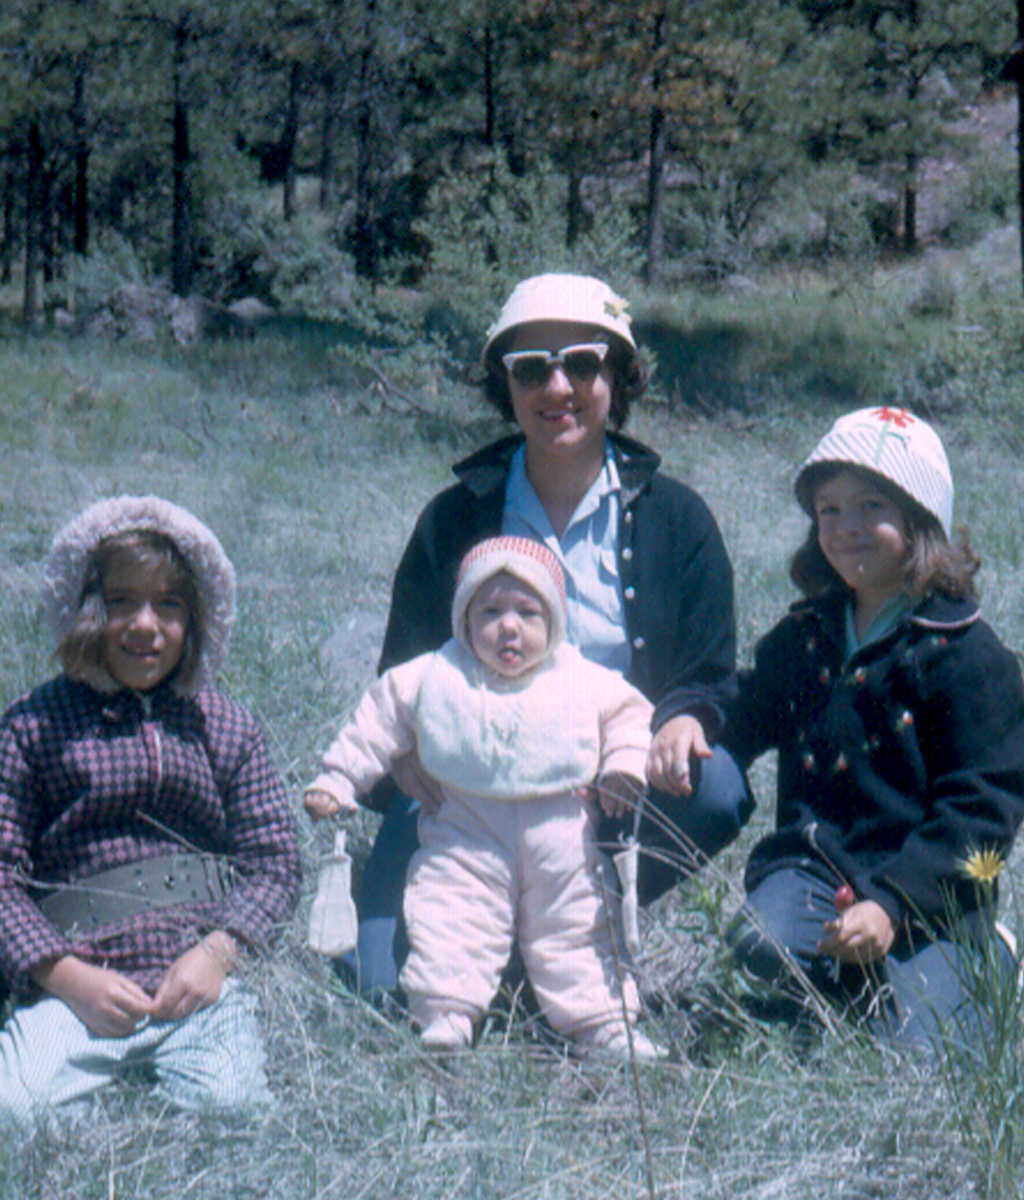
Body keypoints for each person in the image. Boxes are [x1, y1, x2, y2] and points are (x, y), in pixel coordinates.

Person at [345, 272, 751, 995]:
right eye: (531, 368)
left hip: (606, 783)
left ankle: (569, 926)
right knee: (384, 989)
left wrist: (687, 714)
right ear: (506, 385)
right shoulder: (456, 518)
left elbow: (709, 667)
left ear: (618, 377)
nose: (557, 387)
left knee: (714, 785)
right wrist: (406, 753)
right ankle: (485, 929)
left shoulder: (678, 520)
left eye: (583, 364)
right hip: (467, 784)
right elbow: (402, 668)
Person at [721, 406, 1024, 1049]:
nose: (845, 527)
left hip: (932, 902)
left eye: (870, 506)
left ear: (920, 519)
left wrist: (890, 904)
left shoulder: (971, 657)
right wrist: (686, 725)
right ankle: (856, 973)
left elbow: (985, 815)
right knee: (757, 947)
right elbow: (745, 711)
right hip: (816, 870)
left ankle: (984, 961)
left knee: (916, 1053)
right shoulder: (808, 635)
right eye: (828, 511)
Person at [0, 496, 302, 1129]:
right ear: (86, 608)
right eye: (121, 602)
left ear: (196, 619)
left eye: (169, 604)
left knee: (232, 1107)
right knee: (11, 1109)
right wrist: (64, 975)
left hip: (194, 988)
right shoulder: (34, 726)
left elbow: (275, 863)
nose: (146, 624)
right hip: (76, 986)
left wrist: (219, 953)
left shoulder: (226, 726)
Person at [307, 536, 660, 1056]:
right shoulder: (436, 674)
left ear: (554, 622)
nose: (508, 626)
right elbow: (377, 722)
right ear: (465, 620)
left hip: (560, 834)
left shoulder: (580, 677)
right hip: (466, 827)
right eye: (490, 611)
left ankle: (603, 1024)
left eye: (527, 611)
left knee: (578, 926)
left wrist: (624, 767)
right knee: (451, 916)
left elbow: (630, 715)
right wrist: (338, 778)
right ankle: (446, 1016)